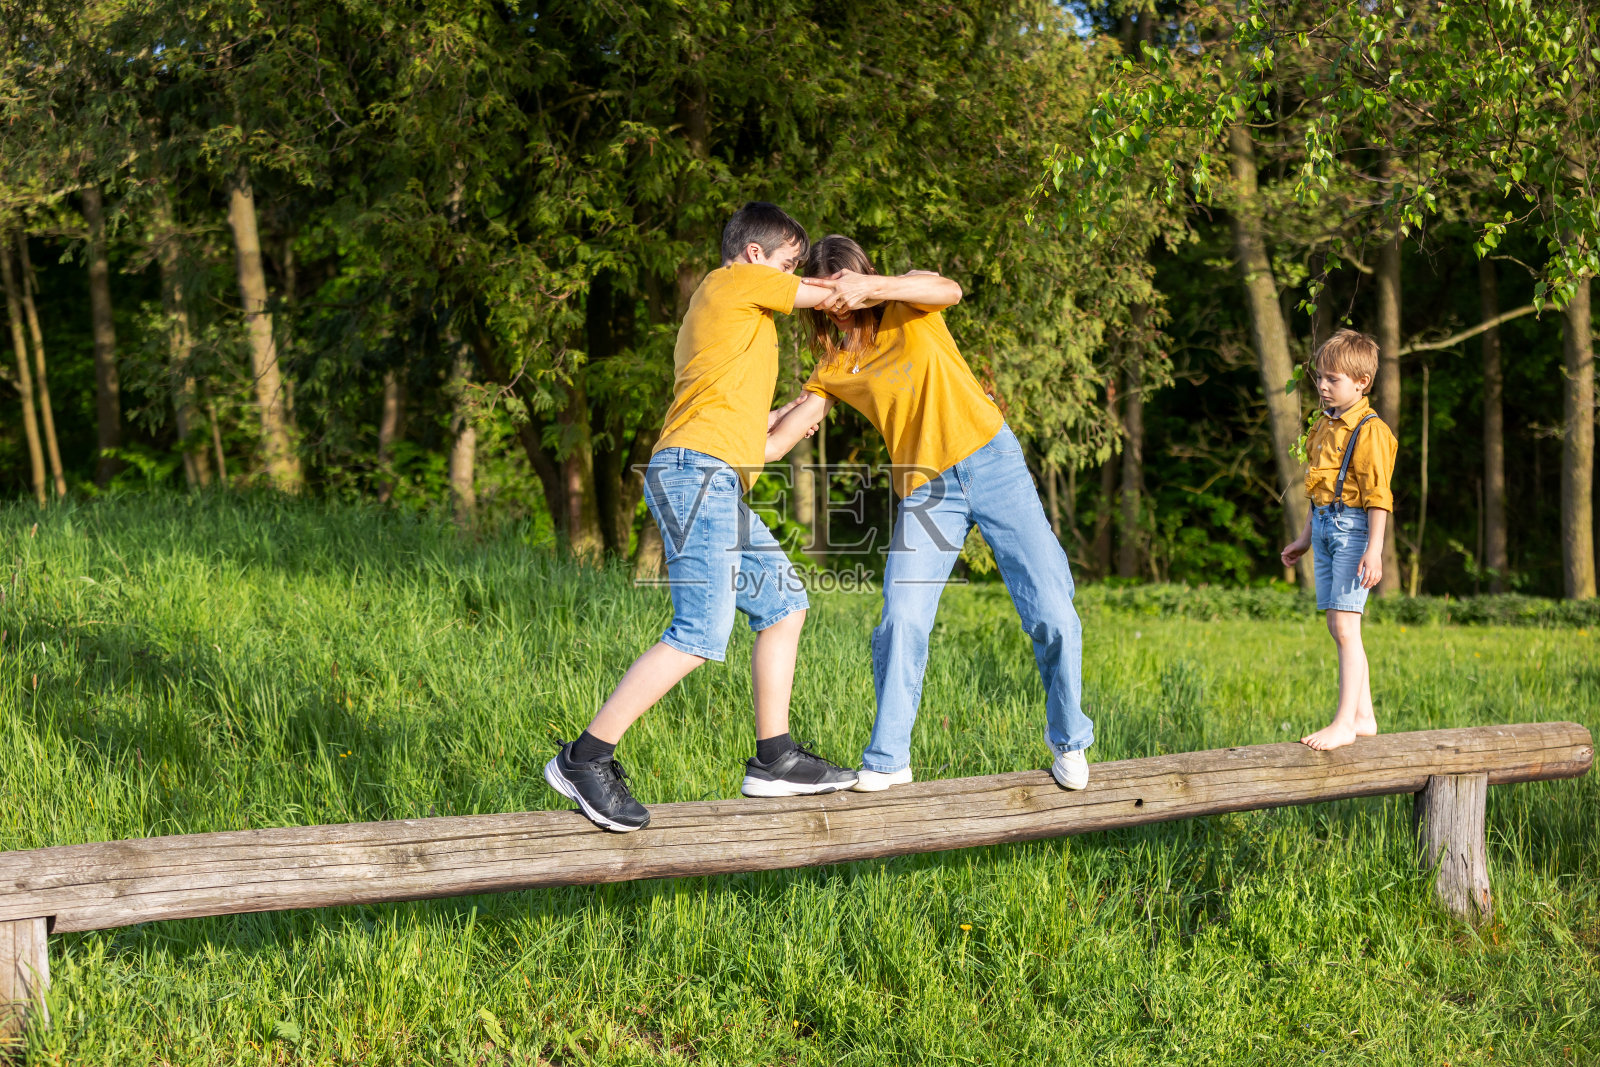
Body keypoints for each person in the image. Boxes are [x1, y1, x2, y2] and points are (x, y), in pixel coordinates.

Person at [544, 203, 858, 832]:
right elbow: (826, 296)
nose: (794, 275)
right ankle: (585, 757)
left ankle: (775, 758)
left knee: (785, 604)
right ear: (754, 256)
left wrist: (808, 407)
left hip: (715, 476)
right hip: (696, 473)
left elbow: (763, 446)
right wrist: (871, 290)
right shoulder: (733, 283)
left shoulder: (740, 331)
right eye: (790, 262)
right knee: (699, 631)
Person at [765, 234, 1093, 792]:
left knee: (1053, 611)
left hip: (993, 461)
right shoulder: (834, 364)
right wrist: (724, 435)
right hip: (926, 491)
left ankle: (1069, 739)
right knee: (902, 620)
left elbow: (951, 289)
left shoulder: (908, 301)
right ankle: (889, 758)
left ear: (861, 278)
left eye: (843, 292)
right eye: (826, 300)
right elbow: (780, 440)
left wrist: (871, 286)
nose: (839, 310)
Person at [1280, 328, 1398, 751]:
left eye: (1333, 380)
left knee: (1347, 626)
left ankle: (1345, 722)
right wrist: (1304, 539)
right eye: (1320, 379)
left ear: (1361, 383)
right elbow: (1319, 492)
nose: (1323, 387)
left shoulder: (1371, 431)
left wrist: (1374, 550)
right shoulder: (1325, 427)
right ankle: (1364, 716)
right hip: (1326, 529)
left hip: (1355, 534)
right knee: (1338, 625)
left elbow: (1378, 496)